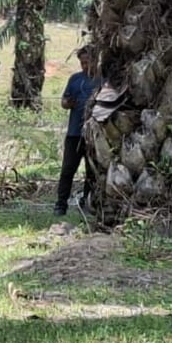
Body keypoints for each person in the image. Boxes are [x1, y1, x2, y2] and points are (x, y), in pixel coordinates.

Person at [55, 46, 100, 216]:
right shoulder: (75, 79)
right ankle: (60, 204)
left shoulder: (102, 80)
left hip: (95, 135)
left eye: (87, 62)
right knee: (68, 170)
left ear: (95, 61)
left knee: (92, 171)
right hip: (74, 133)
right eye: (82, 63)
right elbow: (64, 102)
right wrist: (68, 103)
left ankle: (87, 202)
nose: (84, 65)